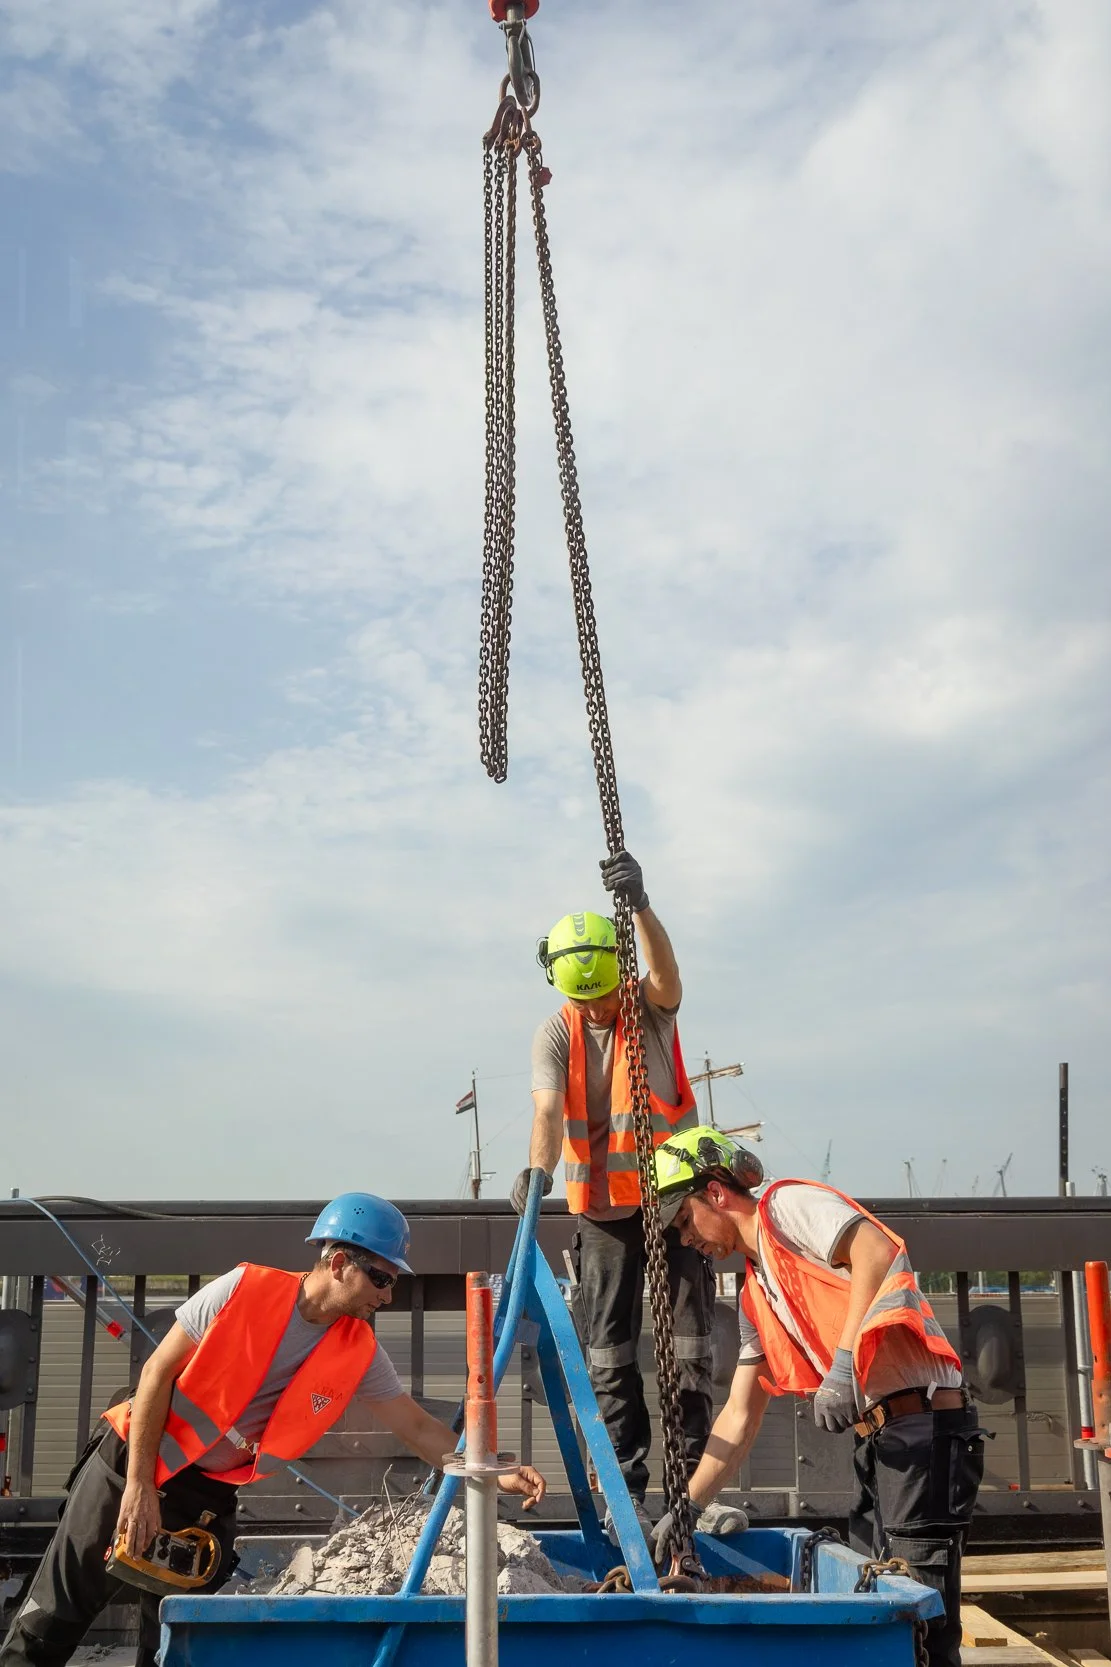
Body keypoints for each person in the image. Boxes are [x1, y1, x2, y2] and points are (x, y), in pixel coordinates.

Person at [1, 1192, 545, 1667]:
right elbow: (156, 1373)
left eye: (394, 1281)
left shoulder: (360, 1351)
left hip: (207, 1496)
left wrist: (498, 1471)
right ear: (337, 1262)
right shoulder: (242, 1290)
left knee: (178, 1642)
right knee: (50, 1622)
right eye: (381, 1277)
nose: (388, 1294)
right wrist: (141, 1485)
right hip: (132, 1465)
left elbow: (419, 1429)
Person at [649, 1128, 985, 1667]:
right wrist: (688, 1504)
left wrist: (845, 1361)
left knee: (922, 1618)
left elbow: (876, 1249)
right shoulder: (758, 1292)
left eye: (685, 1221)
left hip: (925, 1428)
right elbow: (738, 1417)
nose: (687, 1239)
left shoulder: (787, 1207)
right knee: (886, 1601)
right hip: (885, 1440)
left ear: (716, 1193)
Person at [510, 849, 714, 1537]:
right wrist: (537, 1175)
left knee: (686, 1349)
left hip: (674, 1203)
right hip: (601, 1212)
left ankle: (690, 1492)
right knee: (608, 1354)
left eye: (600, 993)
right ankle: (623, 1495)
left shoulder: (646, 1008)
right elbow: (545, 1111)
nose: (594, 1006)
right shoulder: (555, 1030)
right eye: (581, 997)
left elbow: (667, 974)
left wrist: (641, 905)